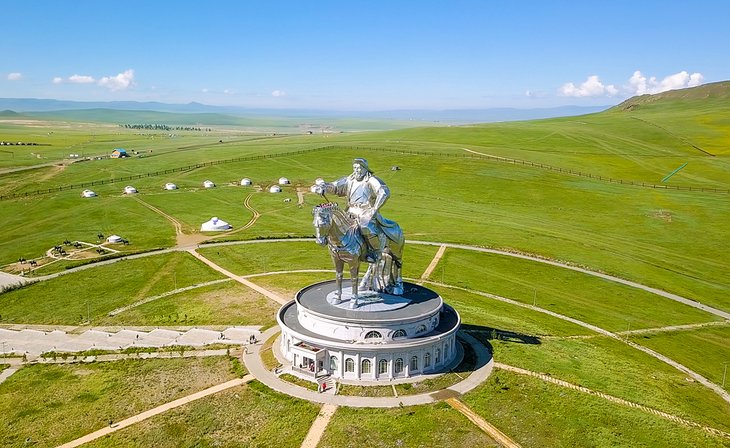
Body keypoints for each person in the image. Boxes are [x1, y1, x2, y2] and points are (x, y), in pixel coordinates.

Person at [313, 158, 395, 262]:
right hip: (350, 211)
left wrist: (374, 209)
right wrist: (324, 187)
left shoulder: (371, 180)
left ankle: (374, 252)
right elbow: (335, 187)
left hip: (366, 212)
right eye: (355, 168)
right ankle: (337, 249)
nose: (357, 170)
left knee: (365, 227)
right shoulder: (349, 180)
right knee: (335, 226)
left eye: (359, 168)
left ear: (365, 169)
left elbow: (384, 192)